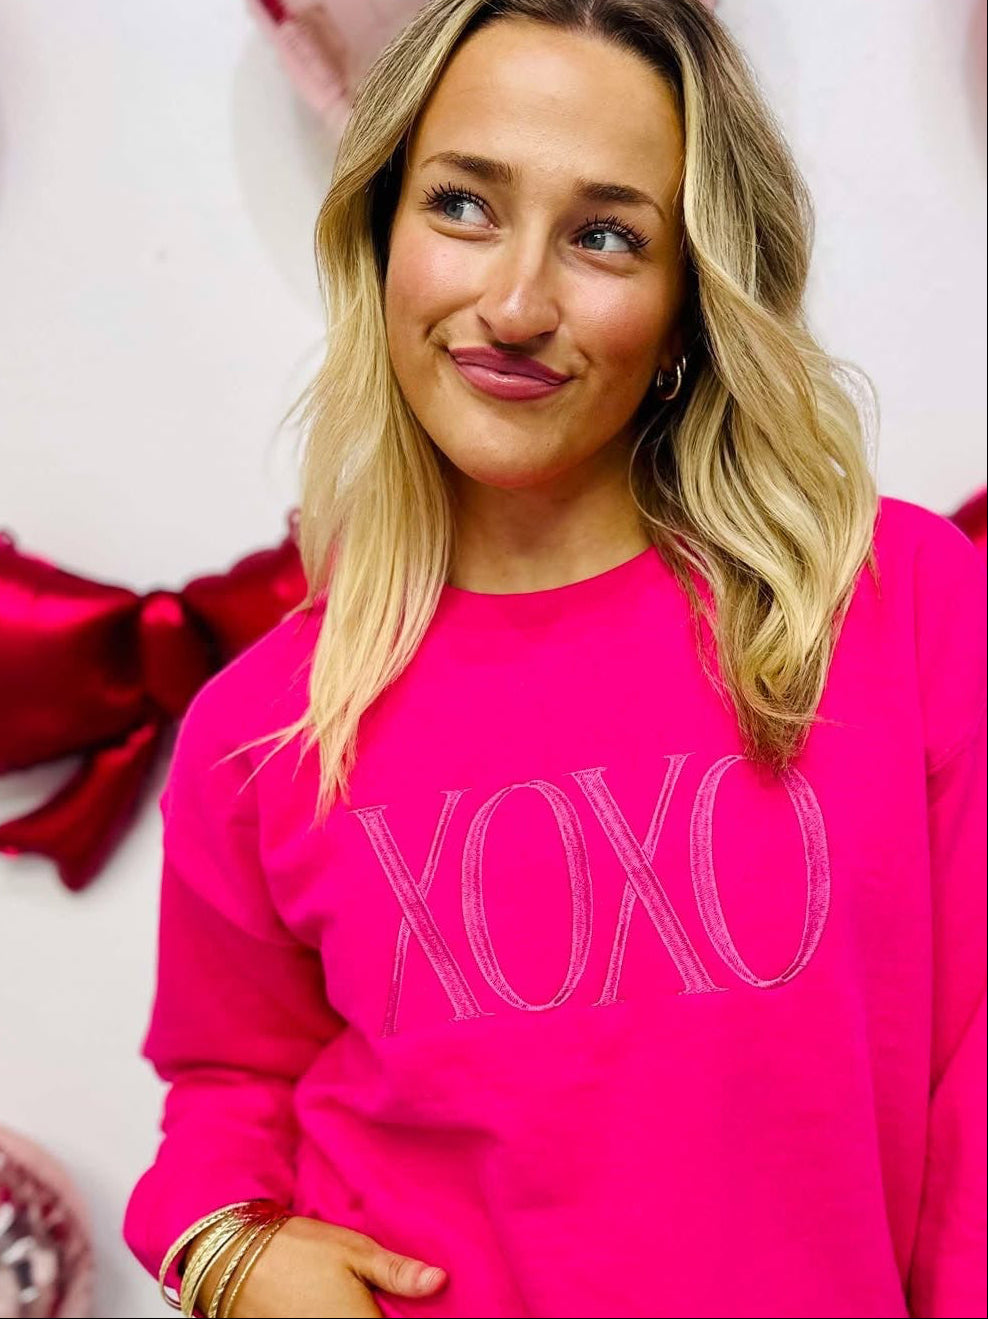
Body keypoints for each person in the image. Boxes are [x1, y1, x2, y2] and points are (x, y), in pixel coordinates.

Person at [123, 1, 987, 1316]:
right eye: (463, 205)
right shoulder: (264, 725)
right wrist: (232, 1252)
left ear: (691, 298)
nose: (515, 304)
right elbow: (224, 1094)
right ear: (384, 234)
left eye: (603, 236)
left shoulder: (899, 606)